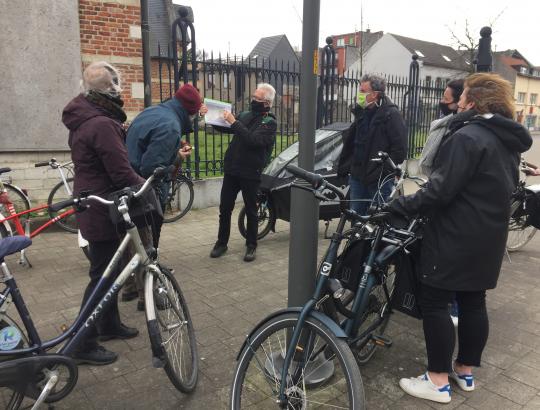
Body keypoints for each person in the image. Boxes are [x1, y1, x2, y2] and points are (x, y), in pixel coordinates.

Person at [389, 73, 532, 404]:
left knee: (435, 301)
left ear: (473, 101)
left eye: (463, 94)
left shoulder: (468, 137)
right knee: (473, 301)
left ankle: (438, 380)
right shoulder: (506, 141)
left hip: (454, 235)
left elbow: (440, 190)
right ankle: (464, 372)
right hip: (488, 237)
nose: (458, 101)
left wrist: (400, 204)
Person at [62, 61, 144, 365]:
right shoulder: (101, 124)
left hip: (93, 202)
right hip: (102, 207)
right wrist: (144, 186)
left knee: (110, 271)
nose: (119, 87)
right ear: (108, 88)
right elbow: (121, 173)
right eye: (116, 82)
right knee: (101, 277)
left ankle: (109, 326)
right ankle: (81, 344)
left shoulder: (88, 117)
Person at [124, 83, 204, 309]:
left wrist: (172, 148)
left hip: (126, 184)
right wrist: (177, 158)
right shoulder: (171, 125)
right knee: (147, 244)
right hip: (144, 191)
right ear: (190, 110)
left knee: (132, 241)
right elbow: (153, 168)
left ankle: (130, 288)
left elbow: (146, 143)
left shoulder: (153, 112)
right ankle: (147, 298)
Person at [209, 83, 277, 262]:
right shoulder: (245, 115)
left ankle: (251, 245)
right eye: (253, 97)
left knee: (251, 210)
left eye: (257, 99)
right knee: (225, 208)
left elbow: (252, 140)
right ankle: (221, 243)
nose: (253, 100)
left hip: (250, 172)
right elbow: (227, 126)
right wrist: (209, 115)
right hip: (233, 169)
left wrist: (234, 122)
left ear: (267, 103)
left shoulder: (269, 123)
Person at [419, 79, 464, 327]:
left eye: (446, 99)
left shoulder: (460, 133)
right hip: (440, 193)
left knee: (451, 257)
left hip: (452, 205)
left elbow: (448, 179)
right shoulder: (446, 126)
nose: (442, 103)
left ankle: (454, 308)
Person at [337, 74, 407, 215]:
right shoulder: (362, 113)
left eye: (363, 91)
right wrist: (348, 167)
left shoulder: (391, 115)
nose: (359, 95)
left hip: (379, 180)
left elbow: (400, 150)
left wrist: (381, 170)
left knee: (378, 219)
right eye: (360, 90)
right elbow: (352, 143)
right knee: (357, 218)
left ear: (375, 94)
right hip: (357, 177)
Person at [419, 79, 464, 177]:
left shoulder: (460, 131)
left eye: (446, 99)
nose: (441, 102)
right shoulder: (445, 124)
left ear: (459, 102)